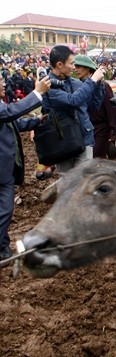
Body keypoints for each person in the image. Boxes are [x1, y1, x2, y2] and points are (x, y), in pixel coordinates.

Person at [0, 73, 51, 261]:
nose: (4, 83)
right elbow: (10, 113)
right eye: (0, 81)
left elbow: (14, 124)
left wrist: (38, 121)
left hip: (5, 169)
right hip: (2, 171)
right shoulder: (2, 108)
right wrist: (37, 93)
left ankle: (3, 248)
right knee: (5, 209)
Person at [42, 45, 106, 173]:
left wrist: (98, 85)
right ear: (60, 64)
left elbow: (93, 105)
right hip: (64, 142)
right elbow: (73, 101)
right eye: (71, 63)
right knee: (67, 182)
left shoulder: (76, 83)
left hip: (84, 138)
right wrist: (92, 80)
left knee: (84, 179)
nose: (73, 67)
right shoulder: (47, 85)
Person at [74, 55, 116, 159]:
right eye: (75, 66)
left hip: (101, 130)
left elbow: (111, 109)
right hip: (85, 129)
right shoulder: (77, 86)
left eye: (79, 67)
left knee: (96, 157)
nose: (76, 69)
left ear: (87, 68)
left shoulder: (102, 85)